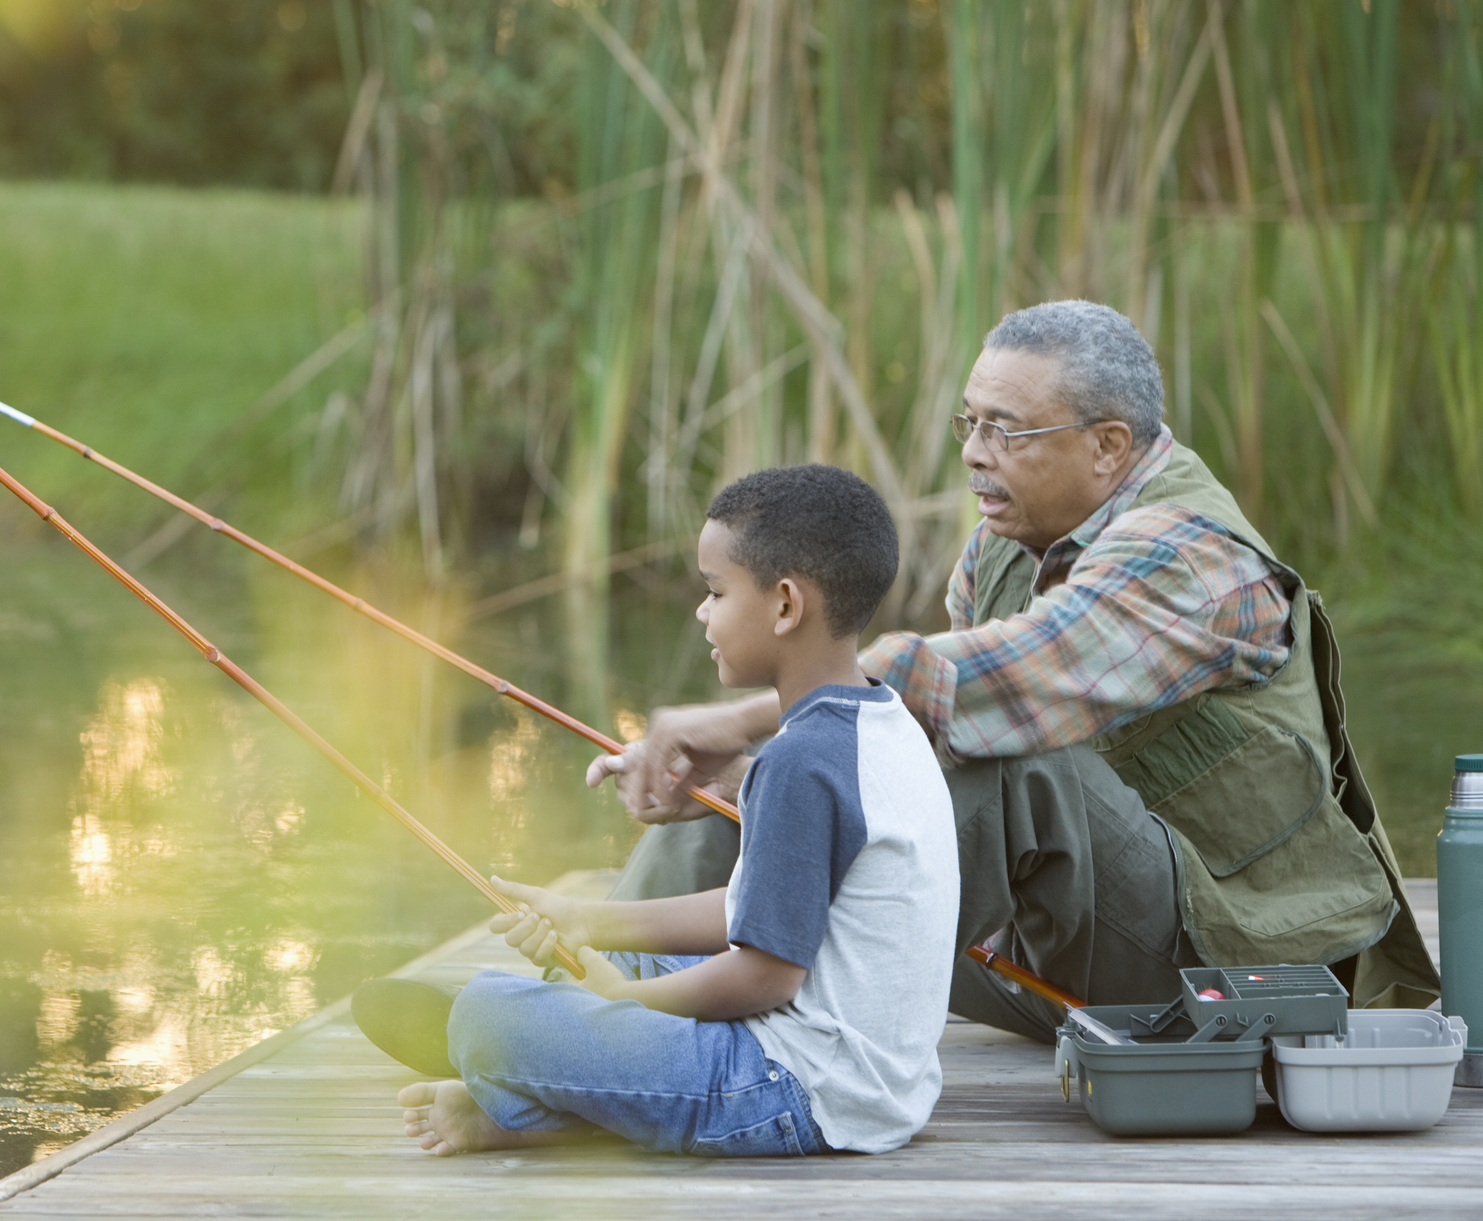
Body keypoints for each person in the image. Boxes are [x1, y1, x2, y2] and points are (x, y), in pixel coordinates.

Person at [593, 300, 1438, 1041]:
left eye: (1007, 430)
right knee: (767, 784)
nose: (974, 454)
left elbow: (1000, 684)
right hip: (1046, 964)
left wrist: (741, 717)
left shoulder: (1188, 552)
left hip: (1220, 968)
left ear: (1108, 446)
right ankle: (576, 995)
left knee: (1008, 766)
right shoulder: (996, 548)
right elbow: (902, 761)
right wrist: (751, 776)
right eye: (969, 423)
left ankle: (667, 1029)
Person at [363, 465, 959, 1157]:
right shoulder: (875, 721)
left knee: (492, 1015)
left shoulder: (801, 763)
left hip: (797, 1091)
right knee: (607, 954)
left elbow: (764, 975)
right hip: (871, 1080)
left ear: (786, 605)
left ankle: (511, 1079)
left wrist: (619, 1006)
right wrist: (585, 920)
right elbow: (751, 911)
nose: (701, 612)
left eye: (714, 592)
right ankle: (534, 1085)